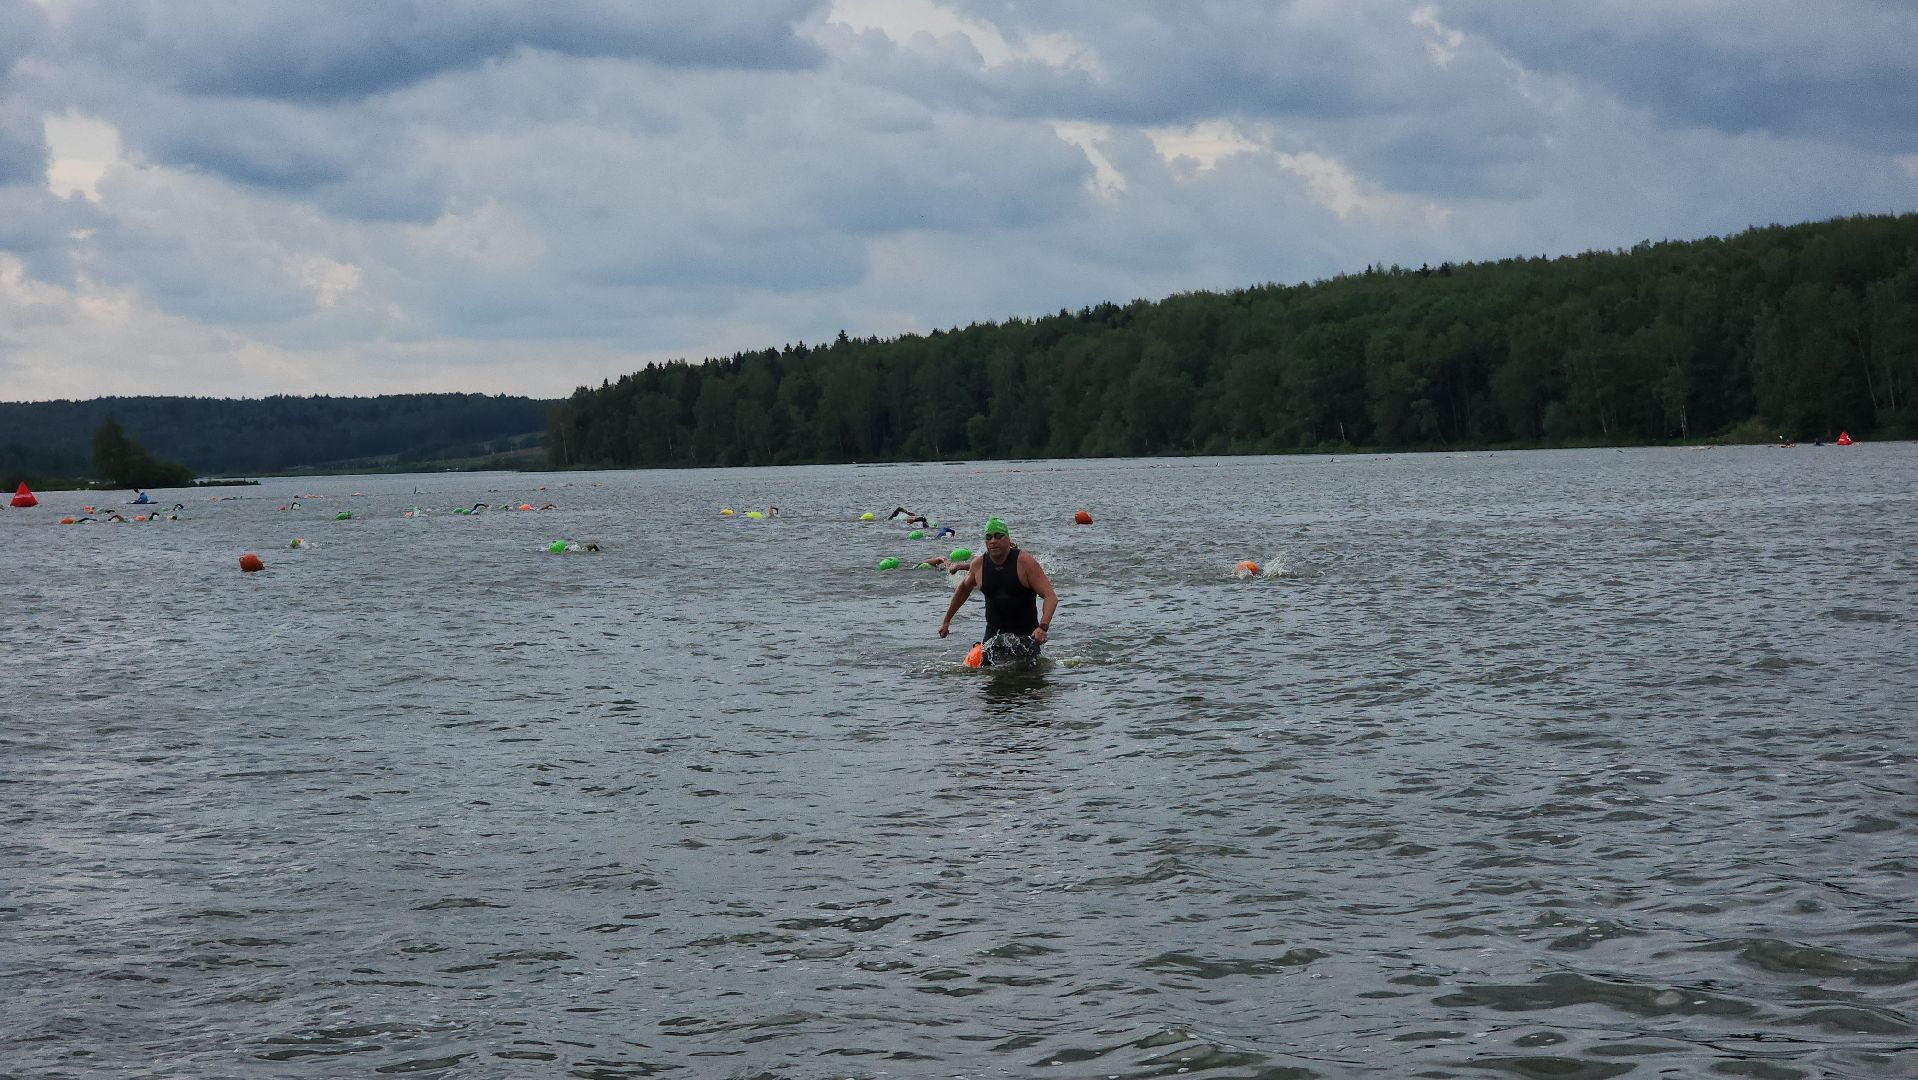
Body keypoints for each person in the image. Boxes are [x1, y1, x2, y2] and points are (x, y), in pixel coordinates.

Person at [938, 517, 1058, 665]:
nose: (993, 541)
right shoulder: (978, 565)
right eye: (988, 537)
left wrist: (1042, 627)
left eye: (998, 536)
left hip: (1026, 635)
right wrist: (946, 622)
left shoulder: (1025, 563)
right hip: (993, 636)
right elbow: (963, 590)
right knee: (988, 680)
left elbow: (1050, 596)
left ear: (1008, 540)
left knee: (1029, 683)